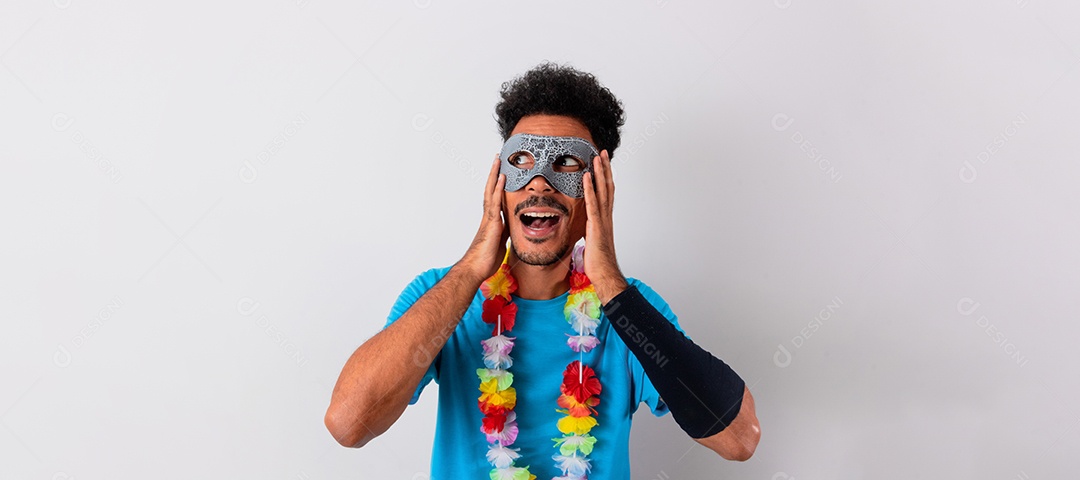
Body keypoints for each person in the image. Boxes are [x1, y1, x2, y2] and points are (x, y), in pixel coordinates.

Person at [324, 63, 761, 479]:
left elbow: (739, 439)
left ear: (599, 191)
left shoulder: (631, 311)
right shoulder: (440, 294)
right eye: (521, 162)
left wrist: (611, 283)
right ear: (499, 184)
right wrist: (472, 267)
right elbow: (348, 425)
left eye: (567, 164)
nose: (539, 183)